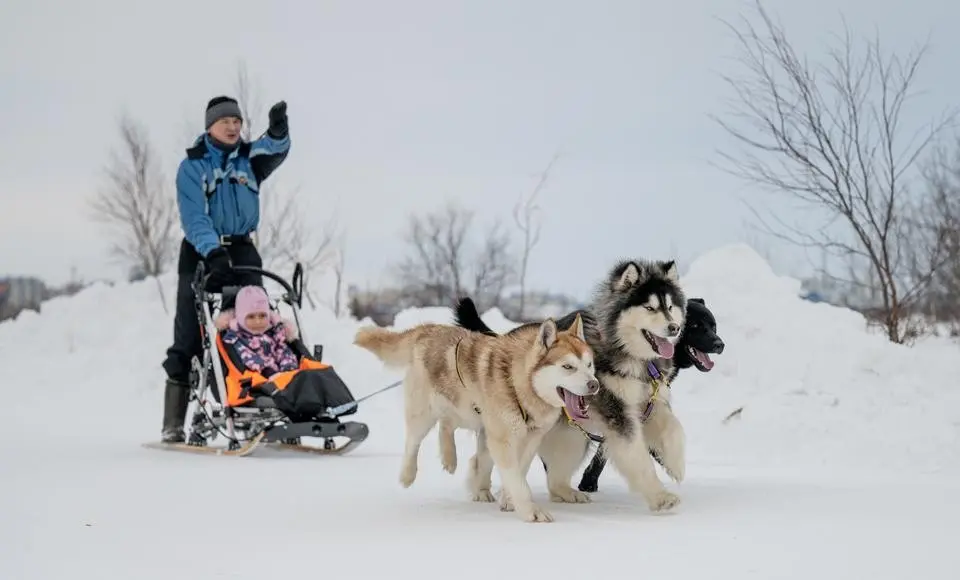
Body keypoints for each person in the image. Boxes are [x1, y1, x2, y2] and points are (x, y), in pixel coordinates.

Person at [160, 95, 291, 443]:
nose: (233, 127)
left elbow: (274, 149)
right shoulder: (193, 166)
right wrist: (213, 251)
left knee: (258, 326)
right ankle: (173, 421)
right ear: (209, 127)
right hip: (202, 255)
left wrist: (279, 129)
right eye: (225, 122)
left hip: (244, 251)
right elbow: (193, 217)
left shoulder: (249, 159)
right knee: (190, 333)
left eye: (237, 121)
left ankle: (262, 399)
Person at [215, 285, 301, 378]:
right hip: (257, 380)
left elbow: (283, 350)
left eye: (262, 316)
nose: (257, 321)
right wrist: (266, 371)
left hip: (282, 378)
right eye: (251, 317)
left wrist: (288, 369)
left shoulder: (274, 332)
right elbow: (247, 356)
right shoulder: (235, 337)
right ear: (240, 317)